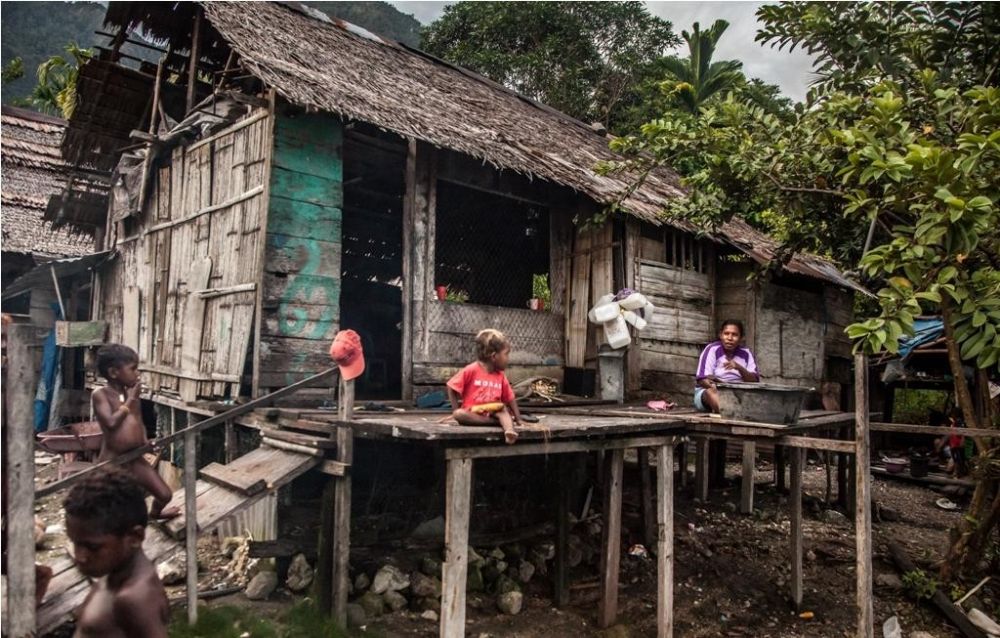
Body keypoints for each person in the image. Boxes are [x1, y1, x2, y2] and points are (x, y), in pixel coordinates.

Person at [65, 468, 170, 638]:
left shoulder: (134, 599)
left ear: (135, 537)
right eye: (75, 542)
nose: (79, 556)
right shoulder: (114, 573)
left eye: (92, 547)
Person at [92, 345, 178, 520]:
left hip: (135, 458)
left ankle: (154, 515)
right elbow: (110, 423)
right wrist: (131, 400)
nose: (137, 374)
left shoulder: (131, 395)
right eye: (133, 369)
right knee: (111, 508)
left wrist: (145, 442)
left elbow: (138, 422)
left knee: (165, 495)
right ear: (114, 373)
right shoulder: (100, 394)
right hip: (113, 461)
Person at [446, 329, 525, 444]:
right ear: (494, 356)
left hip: (495, 411)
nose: (508, 358)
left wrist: (519, 419)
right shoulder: (471, 369)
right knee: (459, 414)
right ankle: (496, 423)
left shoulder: (501, 376)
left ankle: (509, 432)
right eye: (506, 354)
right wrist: (455, 409)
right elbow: (451, 387)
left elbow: (510, 398)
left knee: (503, 411)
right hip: (474, 413)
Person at [694, 320, 760, 413]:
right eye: (726, 334)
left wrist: (739, 368)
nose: (729, 338)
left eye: (734, 335)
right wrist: (723, 387)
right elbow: (702, 380)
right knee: (711, 392)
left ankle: (734, 412)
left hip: (738, 393)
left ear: (741, 338)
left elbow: (754, 381)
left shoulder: (746, 353)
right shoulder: (712, 349)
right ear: (720, 335)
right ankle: (729, 413)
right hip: (711, 392)